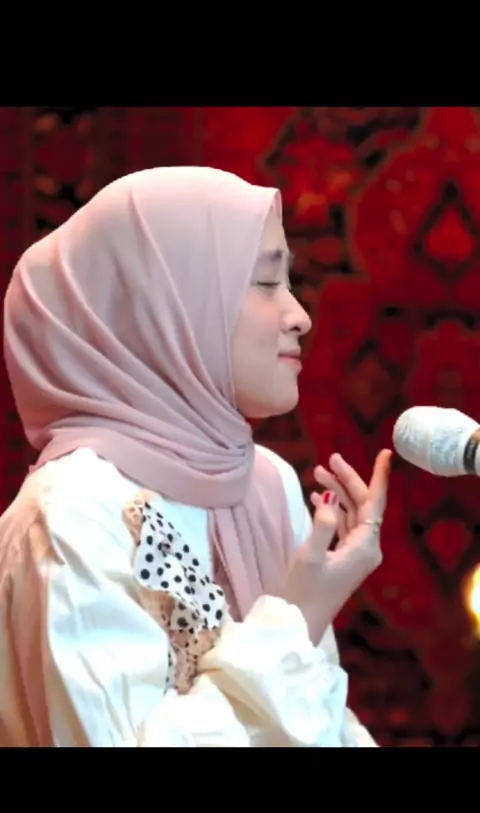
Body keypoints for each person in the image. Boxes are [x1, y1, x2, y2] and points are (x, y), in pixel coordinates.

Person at [0, 166, 391, 747]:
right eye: (266, 283)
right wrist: (296, 623)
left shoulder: (265, 483)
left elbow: (328, 727)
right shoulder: (72, 514)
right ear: (167, 305)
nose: (299, 315)